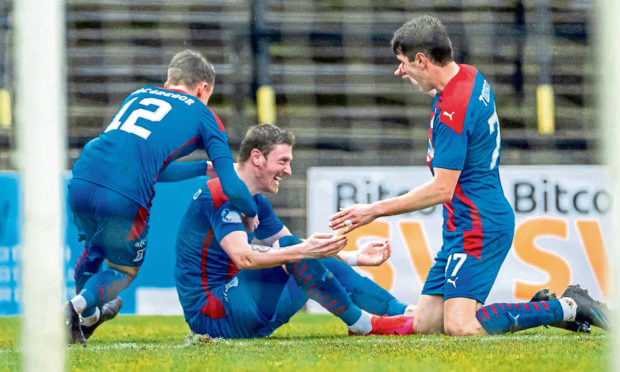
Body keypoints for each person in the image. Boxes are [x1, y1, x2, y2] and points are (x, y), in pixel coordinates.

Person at [329, 15, 609, 336]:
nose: (400, 71)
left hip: (479, 224)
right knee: (426, 324)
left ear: (422, 60)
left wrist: (373, 210)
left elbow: (442, 190)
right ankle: (542, 310)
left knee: (461, 327)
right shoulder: (468, 75)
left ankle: (569, 306)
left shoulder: (453, 109)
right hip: (462, 223)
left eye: (403, 63)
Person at [65, 49, 260, 346]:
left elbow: (151, 166)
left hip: (82, 177)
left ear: (169, 82)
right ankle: (72, 309)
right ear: (203, 88)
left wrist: (201, 168)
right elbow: (232, 185)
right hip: (124, 194)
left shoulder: (139, 94)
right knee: (123, 270)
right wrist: (250, 209)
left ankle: (87, 317)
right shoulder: (204, 114)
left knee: (94, 252)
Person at [175, 124, 415, 339]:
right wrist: (304, 248)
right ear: (257, 158)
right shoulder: (219, 195)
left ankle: (407, 313)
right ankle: (363, 325)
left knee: (304, 252)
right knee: (296, 247)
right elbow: (245, 257)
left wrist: (353, 257)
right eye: (283, 161)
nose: (288, 171)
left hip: (248, 310)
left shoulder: (257, 202)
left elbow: (299, 255)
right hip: (212, 316)